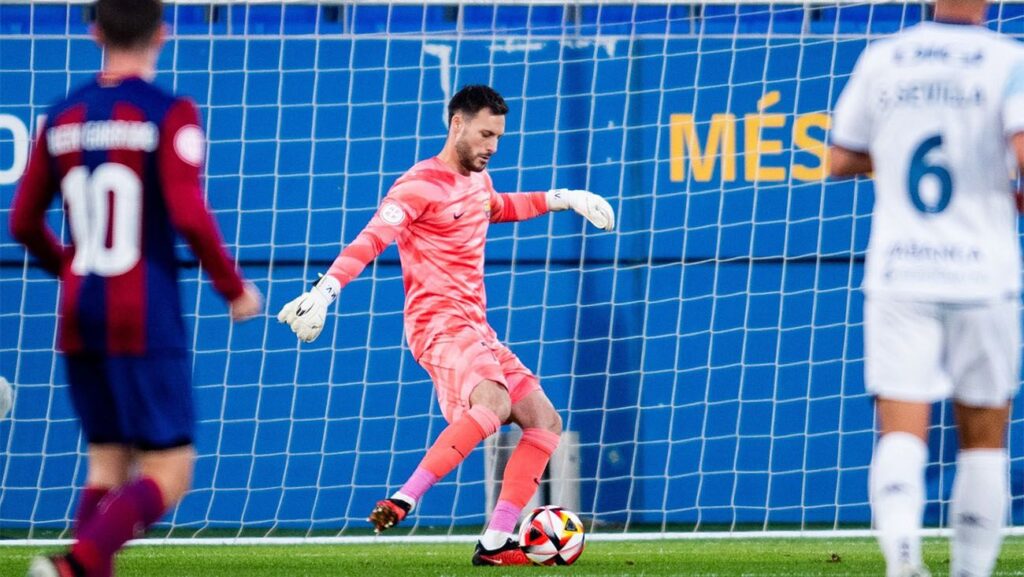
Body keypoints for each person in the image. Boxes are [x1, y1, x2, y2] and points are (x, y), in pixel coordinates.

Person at [278, 84, 614, 565]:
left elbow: (498, 207)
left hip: (476, 327)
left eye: (498, 137)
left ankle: (495, 543)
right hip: (437, 323)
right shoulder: (417, 185)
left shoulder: (478, 180)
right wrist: (325, 292)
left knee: (544, 421)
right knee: (493, 402)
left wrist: (564, 199)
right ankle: (405, 498)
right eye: (485, 135)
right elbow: (373, 238)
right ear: (457, 124)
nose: (492, 147)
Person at [11, 1, 262, 575]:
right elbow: (189, 213)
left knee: (106, 465)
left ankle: (82, 568)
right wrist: (232, 287)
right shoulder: (169, 113)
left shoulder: (61, 115)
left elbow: (22, 222)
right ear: (163, 34)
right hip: (143, 311)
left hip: (80, 310)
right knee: (170, 473)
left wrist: (69, 269)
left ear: (95, 31)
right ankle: (72, 567)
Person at [830, 1, 1024, 575]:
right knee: (983, 440)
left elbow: (839, 158)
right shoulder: (1008, 60)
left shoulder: (885, 57)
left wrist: (893, 149)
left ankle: (903, 560)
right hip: (982, 273)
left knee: (900, 433)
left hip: (901, 270)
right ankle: (969, 572)